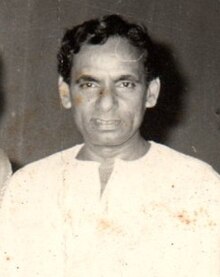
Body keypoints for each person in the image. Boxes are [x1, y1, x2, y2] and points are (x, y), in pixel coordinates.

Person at [0, 14, 220, 277]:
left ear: (151, 93)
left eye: (125, 84)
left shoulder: (198, 186)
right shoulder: (28, 186)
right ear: (65, 93)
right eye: (89, 84)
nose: (106, 103)